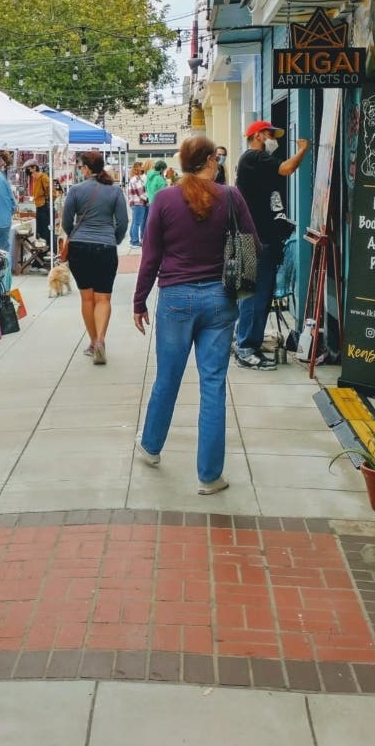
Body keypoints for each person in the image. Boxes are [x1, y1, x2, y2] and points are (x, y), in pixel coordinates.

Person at [133, 137, 257, 494]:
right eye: (216, 158)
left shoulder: (165, 199)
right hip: (219, 299)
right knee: (213, 384)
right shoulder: (231, 196)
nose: (219, 162)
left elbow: (151, 255)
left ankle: (152, 448)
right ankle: (210, 476)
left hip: (175, 298)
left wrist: (139, 301)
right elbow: (253, 242)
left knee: (167, 378)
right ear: (208, 162)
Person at [233, 120, 308, 370]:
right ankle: (246, 347)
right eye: (269, 134)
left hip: (256, 238)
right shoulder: (255, 157)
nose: (272, 138)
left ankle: (248, 342)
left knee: (258, 296)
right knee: (254, 296)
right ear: (257, 135)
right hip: (256, 240)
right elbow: (287, 169)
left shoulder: (255, 163)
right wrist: (303, 150)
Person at [62, 151, 128, 365]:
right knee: (103, 298)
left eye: (82, 166)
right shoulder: (115, 191)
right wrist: (113, 239)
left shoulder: (75, 190)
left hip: (80, 248)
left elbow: (65, 221)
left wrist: (75, 235)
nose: (81, 170)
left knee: (87, 298)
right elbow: (123, 222)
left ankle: (92, 342)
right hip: (105, 247)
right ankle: (100, 339)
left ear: (87, 169)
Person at [25, 163, 52, 243]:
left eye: (32, 173)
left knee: (45, 230)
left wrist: (48, 199)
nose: (32, 176)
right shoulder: (36, 179)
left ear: (34, 168)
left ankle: (47, 250)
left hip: (44, 206)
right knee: (39, 231)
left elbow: (53, 191)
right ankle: (41, 249)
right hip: (39, 206)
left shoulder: (44, 178)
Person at [126, 161, 148, 247]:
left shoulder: (135, 178)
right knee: (137, 223)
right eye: (141, 166)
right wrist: (148, 199)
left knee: (135, 222)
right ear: (138, 168)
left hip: (135, 203)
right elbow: (141, 193)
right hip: (138, 203)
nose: (143, 168)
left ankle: (132, 240)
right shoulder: (136, 179)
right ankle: (134, 241)